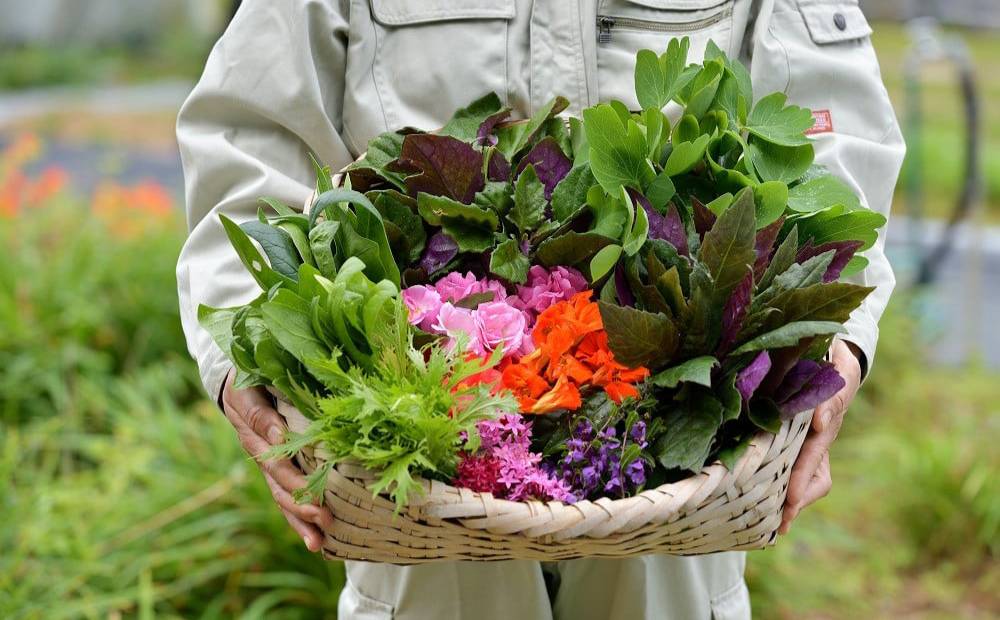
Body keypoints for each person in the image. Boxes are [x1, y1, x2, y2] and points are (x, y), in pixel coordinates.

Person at [176, 1, 903, 618]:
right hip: (416, 489)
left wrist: (832, 353)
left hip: (684, 498)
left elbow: (830, 145)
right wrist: (249, 366)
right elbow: (246, 137)